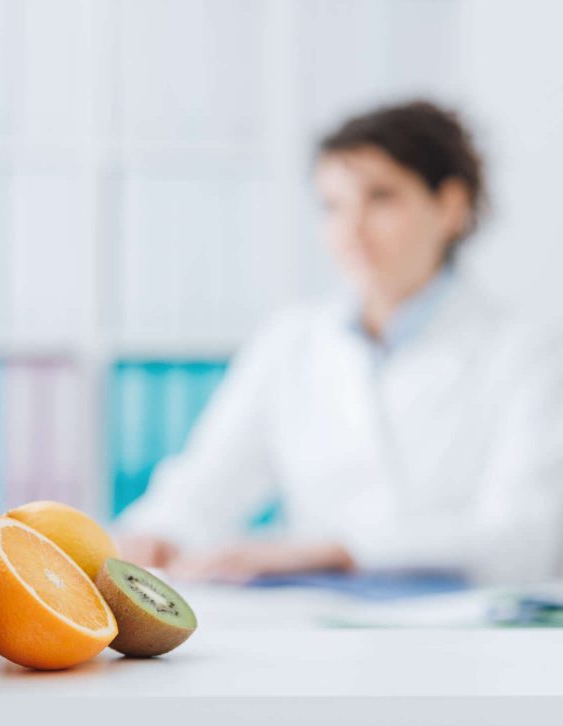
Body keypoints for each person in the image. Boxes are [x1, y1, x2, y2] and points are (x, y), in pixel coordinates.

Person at [115, 100, 563, 585]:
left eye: (381, 198)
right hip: (319, 616)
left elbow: (524, 538)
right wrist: (159, 532)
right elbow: (207, 482)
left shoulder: (526, 351)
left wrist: (339, 552)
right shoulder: (292, 341)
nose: (352, 229)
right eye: (333, 206)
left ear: (450, 206)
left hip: (470, 620)